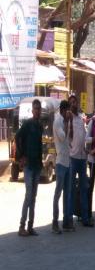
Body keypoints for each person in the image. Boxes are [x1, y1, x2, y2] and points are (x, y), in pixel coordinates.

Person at [16, 99, 43, 236]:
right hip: (28, 166)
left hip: (37, 166)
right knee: (28, 196)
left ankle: (30, 226)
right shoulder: (27, 124)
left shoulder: (40, 126)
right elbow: (17, 137)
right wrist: (21, 156)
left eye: (39, 109)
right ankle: (21, 227)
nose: (38, 111)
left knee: (34, 197)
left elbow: (39, 146)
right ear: (32, 110)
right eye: (36, 108)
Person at [68, 95, 92, 227]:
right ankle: (69, 219)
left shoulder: (80, 118)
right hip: (73, 158)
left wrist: (92, 141)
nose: (74, 104)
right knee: (71, 190)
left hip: (83, 158)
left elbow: (83, 137)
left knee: (83, 189)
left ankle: (85, 218)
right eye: (71, 102)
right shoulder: (68, 119)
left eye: (75, 102)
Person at [52, 100, 72, 234]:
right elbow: (63, 136)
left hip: (67, 160)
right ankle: (55, 222)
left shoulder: (66, 121)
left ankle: (66, 222)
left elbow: (70, 138)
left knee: (67, 193)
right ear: (63, 110)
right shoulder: (58, 121)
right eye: (67, 111)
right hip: (60, 162)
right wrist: (66, 122)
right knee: (58, 193)